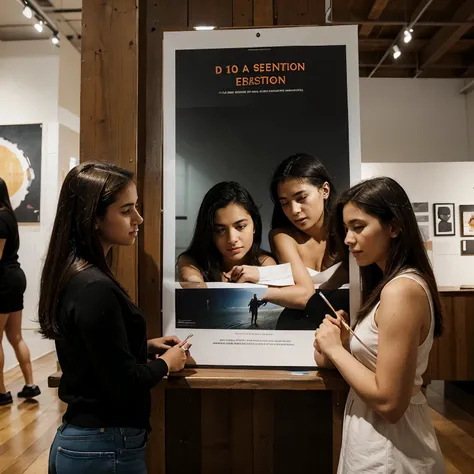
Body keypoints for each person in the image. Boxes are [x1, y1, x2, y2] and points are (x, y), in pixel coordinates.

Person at [39, 162, 190, 474]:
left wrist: (142, 346)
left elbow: (92, 351)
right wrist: (167, 363)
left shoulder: (75, 275)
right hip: (104, 447)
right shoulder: (95, 287)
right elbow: (124, 382)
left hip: (85, 442)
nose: (139, 219)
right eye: (126, 210)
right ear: (94, 217)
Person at [314, 176, 446, 474]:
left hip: (391, 450)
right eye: (346, 229)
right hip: (376, 443)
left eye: (358, 227)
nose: (348, 239)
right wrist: (337, 343)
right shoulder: (387, 287)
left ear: (394, 227)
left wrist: (336, 349)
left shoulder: (401, 290)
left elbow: (389, 403)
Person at [177, 181, 276, 283]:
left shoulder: (265, 263)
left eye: (240, 226)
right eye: (220, 230)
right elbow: (193, 283)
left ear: (254, 226)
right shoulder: (192, 262)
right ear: (209, 232)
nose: (232, 239)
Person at [0, 177, 40, 405]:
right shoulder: (9, 215)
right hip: (14, 277)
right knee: (15, 336)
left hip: (3, 280)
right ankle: (30, 385)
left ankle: (1, 392)